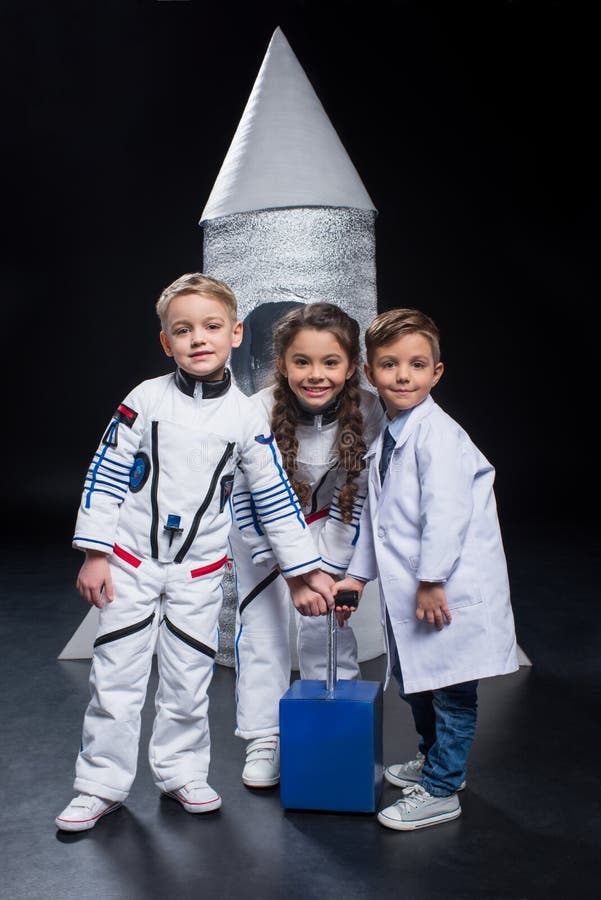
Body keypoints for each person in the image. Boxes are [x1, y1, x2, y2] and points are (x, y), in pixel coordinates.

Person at [55, 273, 335, 832]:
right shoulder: (143, 400)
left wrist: (302, 573)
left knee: (188, 678)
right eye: (182, 330)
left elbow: (275, 497)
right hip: (130, 564)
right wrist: (94, 552)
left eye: (211, 327)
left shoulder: (246, 417)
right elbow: (106, 473)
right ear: (166, 342)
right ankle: (99, 784)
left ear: (234, 334)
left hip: (199, 573)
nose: (197, 339)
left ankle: (181, 771)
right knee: (116, 678)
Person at [334, 308, 518, 831]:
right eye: (389, 365)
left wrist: (433, 580)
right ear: (370, 371)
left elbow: (448, 514)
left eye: (417, 365)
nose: (403, 375)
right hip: (409, 590)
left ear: (436, 373)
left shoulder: (438, 436)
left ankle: (443, 787)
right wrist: (356, 575)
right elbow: (377, 520)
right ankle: (434, 759)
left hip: (443, 587)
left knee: (453, 689)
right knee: (417, 683)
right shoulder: (388, 438)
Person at [229, 302, 386, 788]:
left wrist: (332, 572)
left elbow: (357, 499)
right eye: (302, 362)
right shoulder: (253, 411)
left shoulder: (372, 409)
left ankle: (328, 721)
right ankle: (265, 736)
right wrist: (293, 570)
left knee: (327, 625)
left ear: (351, 366)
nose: (315, 375)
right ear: (281, 364)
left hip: (333, 526)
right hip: (261, 534)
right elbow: (243, 501)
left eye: (330, 362)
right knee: (264, 628)